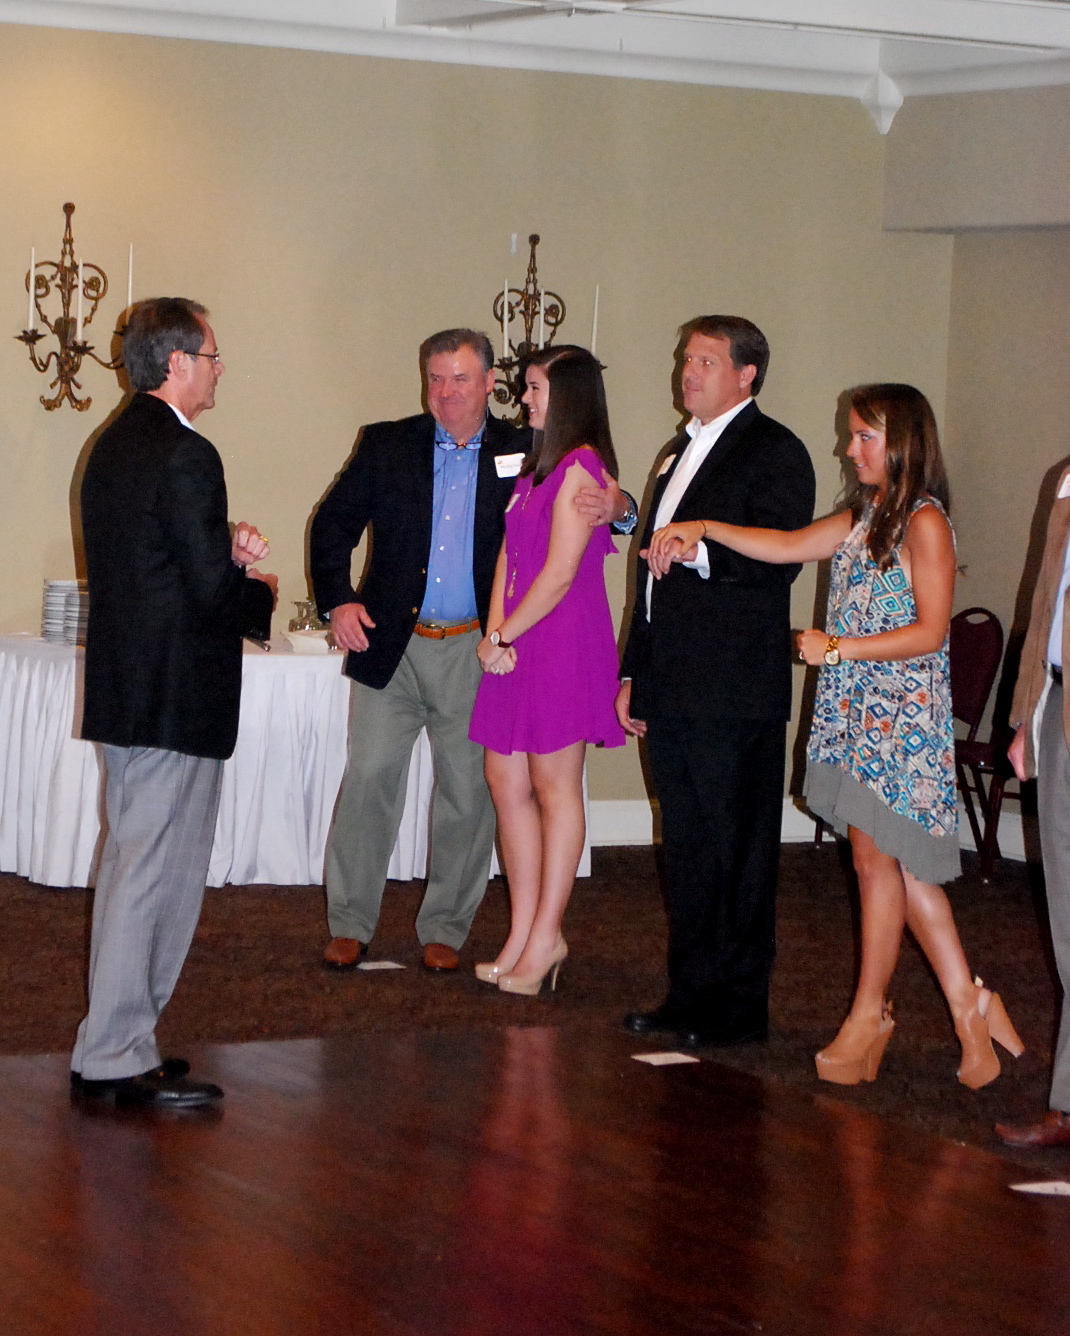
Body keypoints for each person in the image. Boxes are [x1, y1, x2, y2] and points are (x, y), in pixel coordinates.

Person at [648, 382, 1024, 1087]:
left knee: (890, 864)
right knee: (881, 865)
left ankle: (880, 1014)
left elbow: (931, 631)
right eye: (853, 436)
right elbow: (786, 545)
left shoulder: (925, 522)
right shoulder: (866, 513)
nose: (850, 449)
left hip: (898, 719)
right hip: (857, 712)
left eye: (863, 436)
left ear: (902, 442)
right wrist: (707, 527)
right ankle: (959, 1005)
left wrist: (838, 648)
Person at [309, 330, 634, 973]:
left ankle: (446, 928)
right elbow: (332, 524)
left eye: (460, 378)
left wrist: (619, 505)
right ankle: (349, 921)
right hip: (391, 643)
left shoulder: (527, 446)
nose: (446, 391)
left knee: (469, 791)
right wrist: (338, 601)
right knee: (370, 778)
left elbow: (598, 496)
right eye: (435, 378)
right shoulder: (387, 443)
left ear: (489, 384)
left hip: (477, 649)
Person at [73, 297, 277, 1108]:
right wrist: (257, 589)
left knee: (136, 868)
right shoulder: (189, 453)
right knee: (153, 876)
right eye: (213, 356)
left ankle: (124, 1043)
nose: (220, 369)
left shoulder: (113, 444)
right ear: (178, 362)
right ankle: (115, 1055)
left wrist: (224, 555)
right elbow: (206, 592)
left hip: (131, 691)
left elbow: (157, 562)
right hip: (174, 698)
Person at [616, 315, 816, 1049]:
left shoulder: (776, 450)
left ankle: (738, 1006)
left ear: (746, 374)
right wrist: (634, 670)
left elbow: (780, 562)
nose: (688, 371)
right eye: (686, 358)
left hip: (733, 692)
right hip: (672, 683)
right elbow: (649, 577)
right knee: (688, 847)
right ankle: (690, 995)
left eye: (705, 360)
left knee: (738, 850)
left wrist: (700, 551)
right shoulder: (675, 452)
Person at [469, 346, 626, 994]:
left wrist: (505, 633)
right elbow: (509, 554)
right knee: (504, 779)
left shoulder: (583, 468)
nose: (526, 399)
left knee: (554, 786)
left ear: (568, 397)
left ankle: (546, 936)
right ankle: (522, 932)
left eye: (535, 388)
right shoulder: (538, 468)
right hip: (514, 638)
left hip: (560, 641)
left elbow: (561, 573)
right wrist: (494, 634)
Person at [996, 465, 1070, 1145]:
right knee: (1067, 919)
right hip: (1058, 709)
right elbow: (1044, 604)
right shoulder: (1068, 483)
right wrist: (1026, 717)